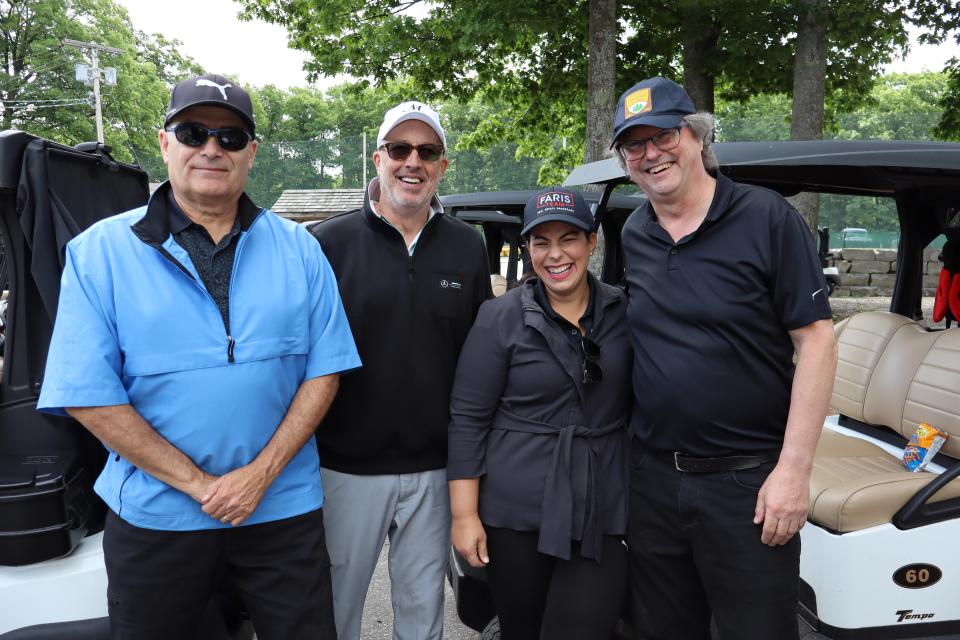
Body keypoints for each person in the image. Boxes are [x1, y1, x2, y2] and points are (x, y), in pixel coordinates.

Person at [37, 73, 360, 639]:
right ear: (165, 143)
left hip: (280, 506)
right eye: (193, 132)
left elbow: (325, 368)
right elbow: (87, 394)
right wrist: (196, 484)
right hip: (157, 515)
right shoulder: (99, 254)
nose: (212, 148)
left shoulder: (300, 249)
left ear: (251, 153)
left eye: (231, 137)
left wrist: (258, 477)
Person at [612, 77, 838, 640]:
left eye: (661, 136)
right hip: (654, 484)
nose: (649, 154)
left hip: (749, 487)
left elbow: (817, 341)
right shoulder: (634, 231)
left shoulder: (766, 219)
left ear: (695, 136)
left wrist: (794, 472)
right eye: (632, 145)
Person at [309, 100, 491, 640]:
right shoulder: (326, 243)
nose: (412, 161)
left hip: (436, 472)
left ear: (442, 166)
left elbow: (477, 363)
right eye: (399, 149)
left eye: (427, 151)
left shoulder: (467, 246)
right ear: (378, 158)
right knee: (334, 612)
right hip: (343, 470)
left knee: (421, 614)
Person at [448, 187, 632, 640]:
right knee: (523, 629)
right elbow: (468, 419)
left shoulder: (626, 311)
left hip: (601, 501)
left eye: (568, 238)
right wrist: (464, 516)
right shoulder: (499, 318)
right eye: (540, 242)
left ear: (592, 243)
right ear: (527, 248)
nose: (555, 255)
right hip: (516, 510)